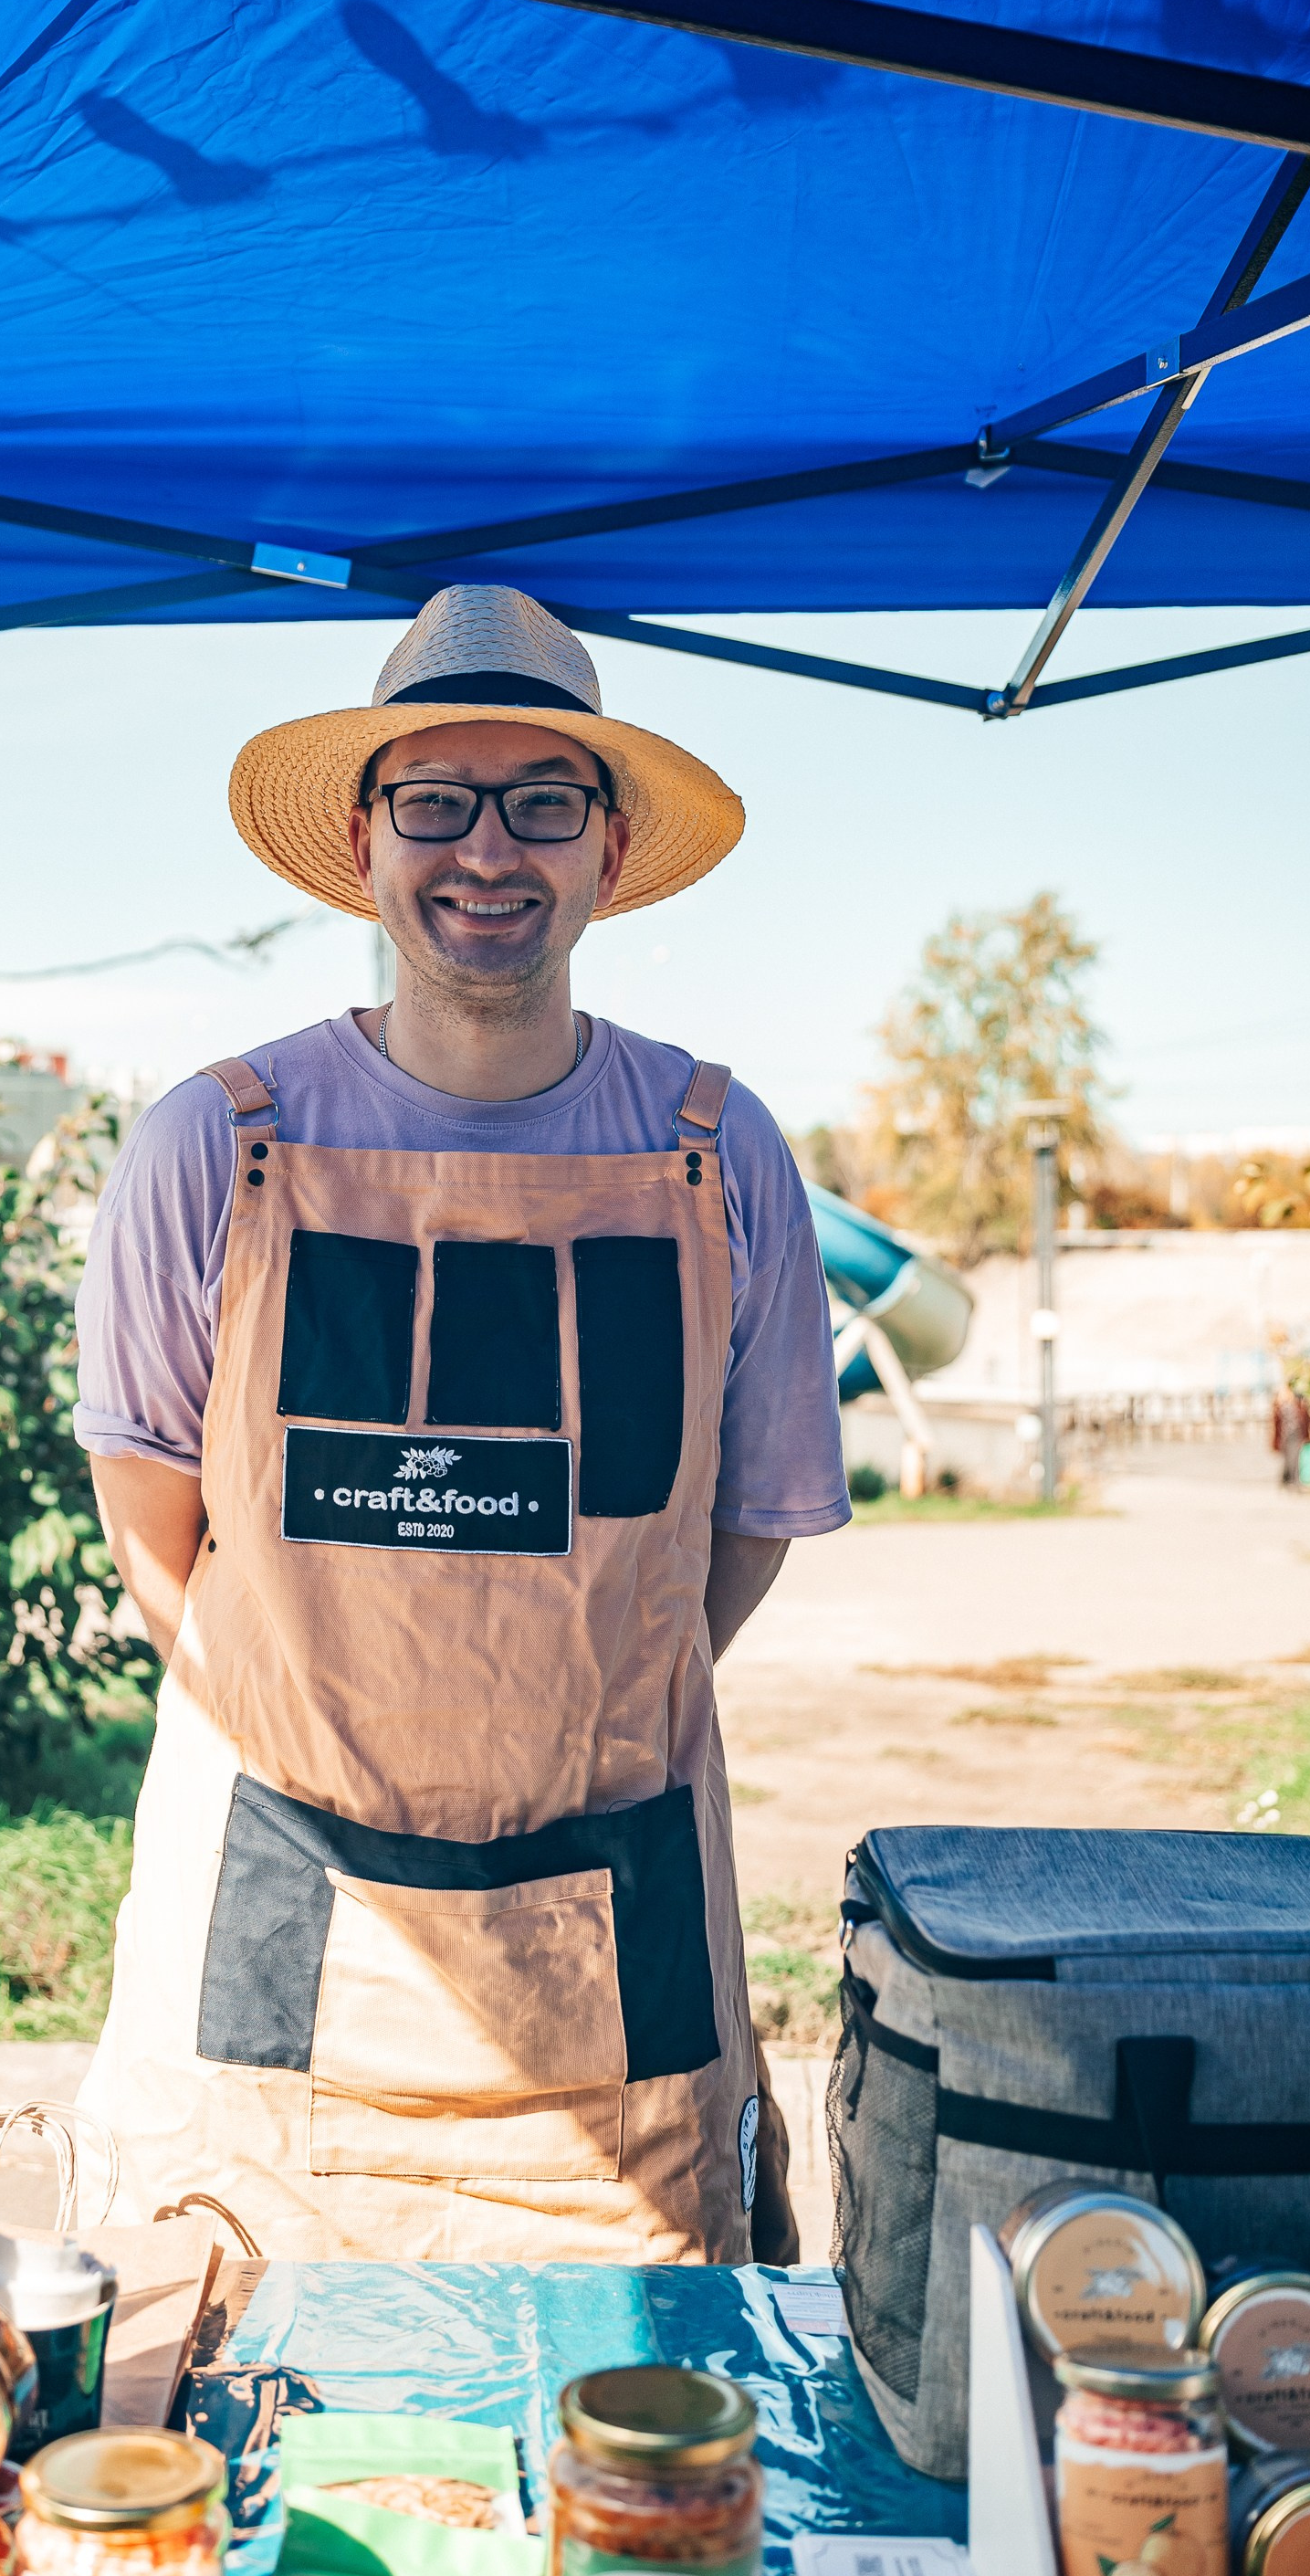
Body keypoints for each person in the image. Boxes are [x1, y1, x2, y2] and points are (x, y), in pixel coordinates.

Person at [75, 584, 848, 2265]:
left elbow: (752, 1524)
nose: (486, 852)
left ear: (610, 851)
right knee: (227, 2420)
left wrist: (574, 1701)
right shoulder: (214, 1148)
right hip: (268, 1933)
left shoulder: (725, 1154)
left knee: (634, 2443)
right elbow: (156, 1531)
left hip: (615, 1951)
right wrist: (338, 1713)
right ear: (366, 842)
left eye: (542, 804)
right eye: (436, 801)